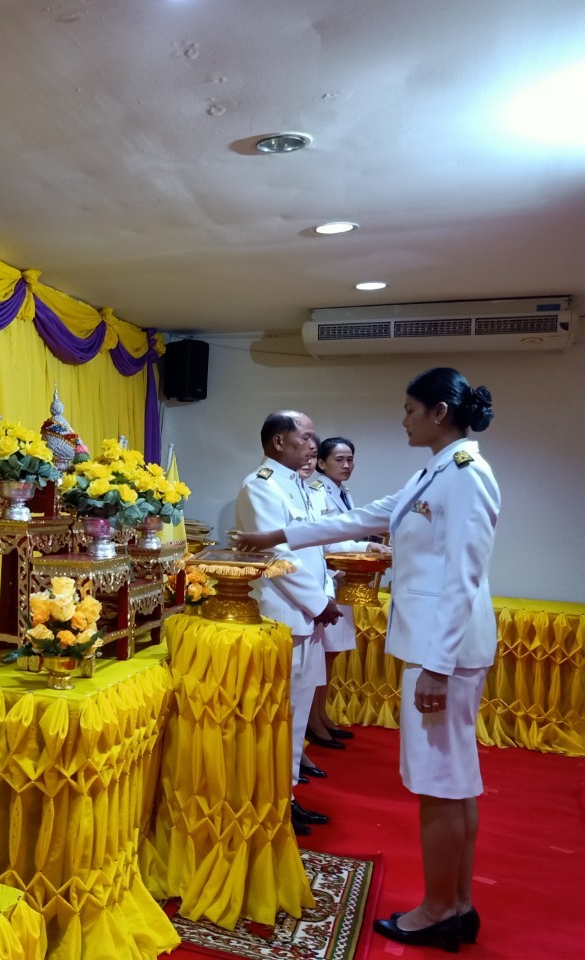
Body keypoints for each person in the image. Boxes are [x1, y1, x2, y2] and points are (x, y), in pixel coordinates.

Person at [234, 369, 498, 951]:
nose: (403, 419)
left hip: (443, 651)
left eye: (409, 409)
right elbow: (360, 518)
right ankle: (455, 905)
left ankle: (440, 909)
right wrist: (276, 536)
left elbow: (464, 576)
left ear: (439, 412)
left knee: (440, 783)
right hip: (438, 647)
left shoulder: (463, 475)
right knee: (453, 781)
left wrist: (438, 665)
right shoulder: (436, 472)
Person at [235, 411, 343, 836]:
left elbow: (317, 543)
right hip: (282, 614)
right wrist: (319, 603)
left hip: (306, 615)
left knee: (295, 716)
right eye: (306, 436)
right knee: (277, 714)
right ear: (278, 442)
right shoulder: (260, 485)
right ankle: (270, 799)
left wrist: (325, 597)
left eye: (315, 437)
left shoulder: (299, 484)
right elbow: (277, 558)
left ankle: (286, 795)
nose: (313, 445)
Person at [307, 437, 360, 747]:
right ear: (321, 463)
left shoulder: (344, 492)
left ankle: (321, 713)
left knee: (332, 652)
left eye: (350, 459)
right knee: (321, 652)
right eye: (339, 459)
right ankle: (312, 720)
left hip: (343, 578)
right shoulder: (316, 492)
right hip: (327, 579)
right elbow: (322, 540)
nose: (346, 465)